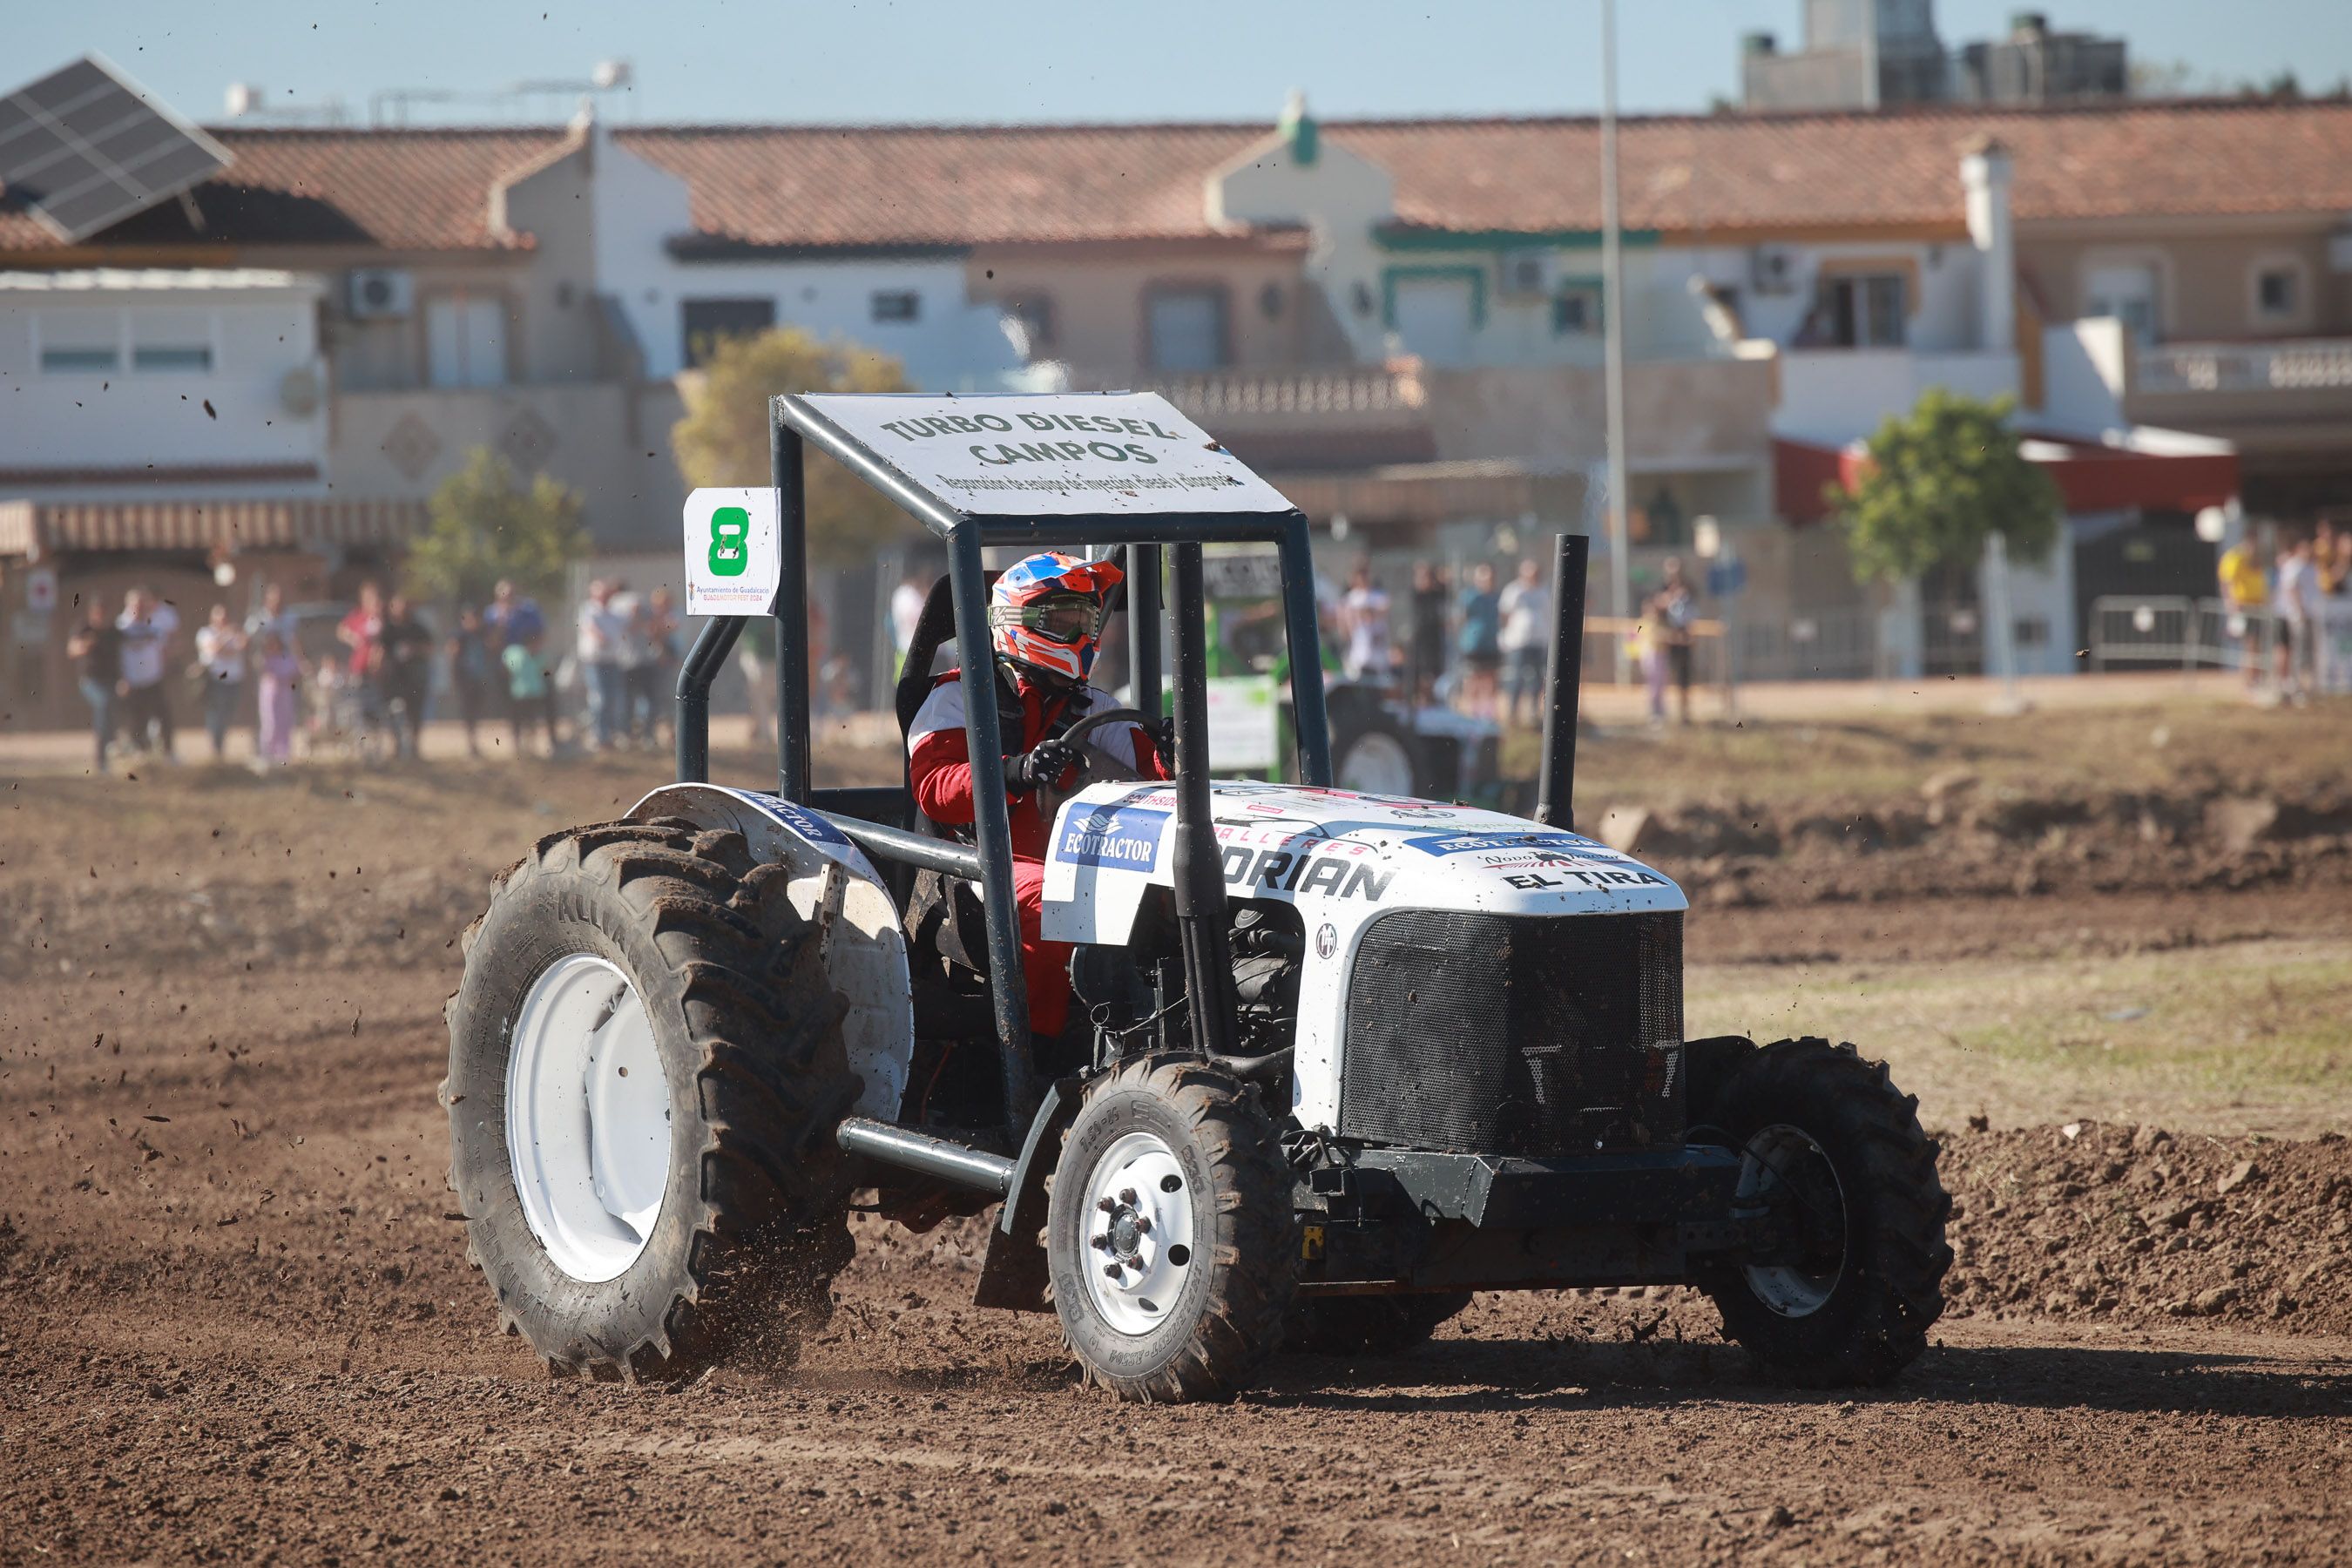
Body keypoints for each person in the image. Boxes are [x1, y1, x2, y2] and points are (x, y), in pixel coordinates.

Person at [907, 552, 1169, 1046]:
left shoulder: (1096, 706)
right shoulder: (957, 697)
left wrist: (1176, 757)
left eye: (1085, 620)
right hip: (978, 866)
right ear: (1013, 620)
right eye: (1060, 620)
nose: (1078, 635)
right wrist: (1014, 772)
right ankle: (1050, 1053)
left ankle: (1177, 1028)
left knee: (1186, 896)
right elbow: (936, 789)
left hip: (1080, 857)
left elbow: (1153, 779)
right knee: (1064, 896)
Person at [116, 585, 181, 760]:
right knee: (137, 719)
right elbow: (116, 656)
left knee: (164, 716)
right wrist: (121, 678)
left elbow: (164, 650)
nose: (140, 608)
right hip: (132, 680)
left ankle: (169, 752)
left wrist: (165, 666)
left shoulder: (154, 625)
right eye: (136, 605)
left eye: (143, 604)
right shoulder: (121, 627)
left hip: (153, 678)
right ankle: (140, 754)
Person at [66, 595, 123, 772]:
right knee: (104, 703)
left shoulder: (113, 631)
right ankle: (102, 755)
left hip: (111, 680)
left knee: (111, 709)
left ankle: (111, 745)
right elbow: (72, 650)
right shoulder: (84, 627)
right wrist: (86, 645)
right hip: (90, 680)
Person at [1497, 558, 1551, 727]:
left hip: (1539, 641)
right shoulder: (1514, 591)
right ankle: (1513, 712)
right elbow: (1504, 614)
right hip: (1518, 641)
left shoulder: (1544, 591)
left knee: (1537, 677)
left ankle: (1534, 711)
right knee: (1516, 677)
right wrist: (1504, 635)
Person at [379, 595, 435, 759]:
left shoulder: (417, 628)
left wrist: (414, 649)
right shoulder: (388, 630)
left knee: (415, 714)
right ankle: (396, 745)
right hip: (394, 678)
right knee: (393, 712)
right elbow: (380, 650)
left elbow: (430, 648)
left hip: (415, 678)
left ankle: (415, 747)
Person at [576, 578, 629, 749]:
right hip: (595, 662)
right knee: (599, 698)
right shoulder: (589, 610)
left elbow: (629, 625)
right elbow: (589, 627)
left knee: (612, 699)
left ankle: (609, 734)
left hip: (612, 661)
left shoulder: (615, 613)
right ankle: (598, 734)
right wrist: (600, 637)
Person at [194, 603, 250, 760]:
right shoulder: (205, 633)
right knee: (216, 714)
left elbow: (243, 645)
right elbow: (216, 649)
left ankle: (221, 747)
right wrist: (227, 638)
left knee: (228, 713)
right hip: (215, 680)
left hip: (234, 680)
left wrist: (230, 642)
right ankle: (216, 749)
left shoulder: (235, 633)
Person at [2216, 533, 2270, 690]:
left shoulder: (2256, 559)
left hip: (2258, 607)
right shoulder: (2236, 557)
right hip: (2244, 607)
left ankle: (2256, 678)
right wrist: (2231, 603)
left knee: (2256, 646)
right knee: (2250, 645)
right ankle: (2250, 680)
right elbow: (2227, 581)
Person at [337, 582, 386, 745]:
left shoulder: (380, 620)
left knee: (374, 709)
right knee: (358, 708)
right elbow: (341, 630)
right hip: (358, 669)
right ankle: (361, 743)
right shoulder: (358, 616)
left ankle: (376, 744)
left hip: (375, 673)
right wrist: (352, 638)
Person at [2274, 531, 2319, 701]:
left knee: (2308, 652)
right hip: (2293, 616)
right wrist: (2299, 610)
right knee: (2295, 652)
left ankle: (2307, 686)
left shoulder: (2311, 566)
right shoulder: (2294, 566)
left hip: (2309, 615)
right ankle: (2292, 685)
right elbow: (2291, 589)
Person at [446, 606, 496, 758]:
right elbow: (451, 653)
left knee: (477, 710)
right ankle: (471, 743)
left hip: (480, 678)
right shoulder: (460, 635)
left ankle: (474, 743)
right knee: (468, 712)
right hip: (465, 679)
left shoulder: (482, 634)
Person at [503, 629, 560, 756]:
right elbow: (507, 668)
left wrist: (547, 672)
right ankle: (518, 746)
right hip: (519, 694)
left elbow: (546, 672)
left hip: (536, 693)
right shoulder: (516, 654)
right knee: (519, 722)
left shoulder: (541, 656)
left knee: (532, 721)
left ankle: (531, 746)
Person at [1456, 562, 1503, 720]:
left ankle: (1488, 715)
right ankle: (1471, 714)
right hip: (1473, 644)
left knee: (1490, 680)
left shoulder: (1497, 597)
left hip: (1491, 643)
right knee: (1473, 679)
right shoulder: (1470, 596)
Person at [1656, 556, 1697, 727]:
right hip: (1666, 638)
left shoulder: (1688, 588)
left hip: (1683, 638)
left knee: (1683, 678)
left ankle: (1684, 714)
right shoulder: (1663, 588)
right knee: (1664, 677)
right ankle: (1662, 714)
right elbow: (1656, 605)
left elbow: (1692, 610)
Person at [253, 629, 301, 767]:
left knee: (285, 723)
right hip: (270, 694)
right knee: (270, 723)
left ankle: (283, 755)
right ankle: (267, 754)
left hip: (285, 693)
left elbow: (296, 673)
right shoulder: (264, 658)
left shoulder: (287, 656)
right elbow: (263, 671)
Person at [1339, 561, 1392, 684]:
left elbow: (1383, 609)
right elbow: (1345, 621)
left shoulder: (1378, 596)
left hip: (1377, 654)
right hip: (1358, 655)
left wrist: (1363, 612)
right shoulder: (1351, 598)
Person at [1408, 560, 1449, 706]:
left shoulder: (1438, 594)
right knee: (1423, 676)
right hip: (1421, 641)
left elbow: (1446, 589)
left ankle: (1431, 702)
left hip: (1434, 641)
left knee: (1433, 676)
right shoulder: (1417, 596)